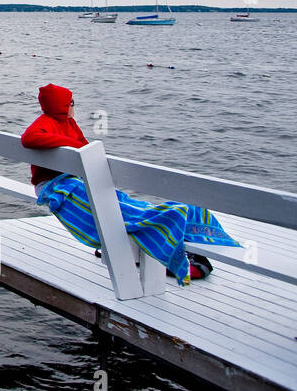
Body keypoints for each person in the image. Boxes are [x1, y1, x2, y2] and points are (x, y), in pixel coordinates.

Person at [21, 83, 239, 284]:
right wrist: (71, 145)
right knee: (105, 206)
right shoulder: (44, 123)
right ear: (62, 106)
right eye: (71, 103)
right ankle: (148, 229)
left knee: (116, 199)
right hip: (54, 185)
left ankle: (156, 220)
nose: (73, 107)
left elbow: (85, 146)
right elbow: (29, 139)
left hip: (71, 179)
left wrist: (76, 146)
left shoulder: (69, 122)